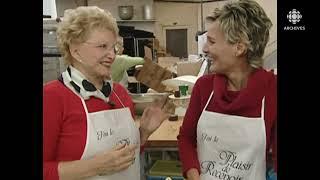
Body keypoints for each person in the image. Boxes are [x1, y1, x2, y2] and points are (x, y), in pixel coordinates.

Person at [43, 6, 169, 180]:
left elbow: (124, 158)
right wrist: (94, 167)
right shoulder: (52, 97)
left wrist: (144, 133)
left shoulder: (119, 93)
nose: (112, 55)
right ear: (75, 50)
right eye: (102, 46)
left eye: (113, 48)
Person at [177, 0, 277, 180]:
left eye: (212, 41)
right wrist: (193, 175)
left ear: (239, 48)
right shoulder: (204, 88)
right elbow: (186, 138)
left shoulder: (272, 90)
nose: (205, 49)